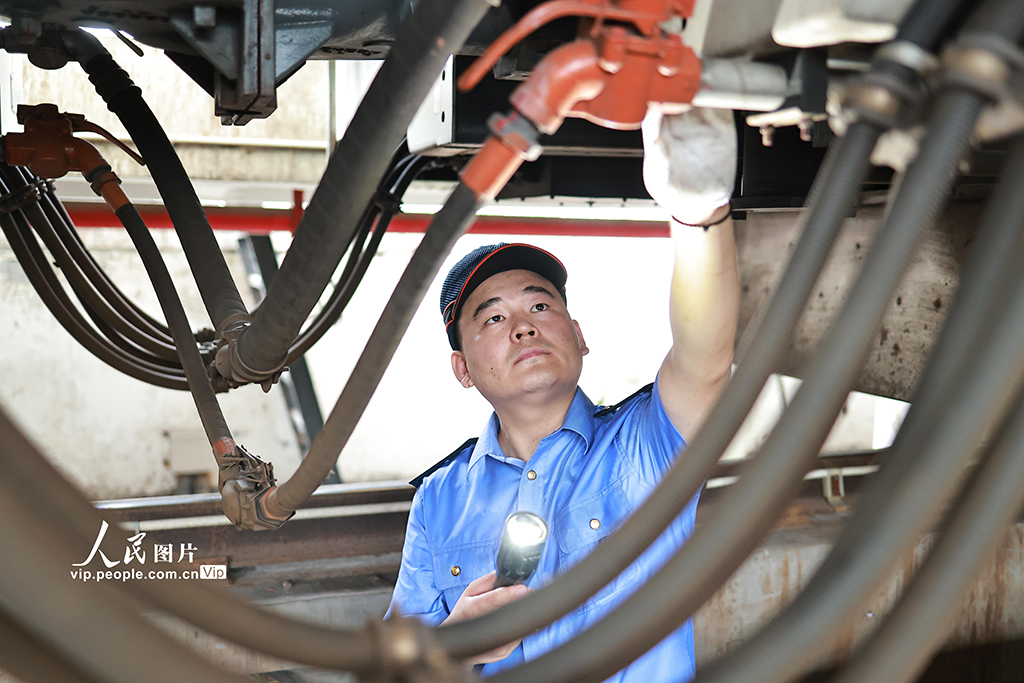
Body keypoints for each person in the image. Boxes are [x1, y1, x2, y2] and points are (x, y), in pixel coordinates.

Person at [384, 106, 740, 683]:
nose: (522, 326)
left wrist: (698, 210)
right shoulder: (437, 501)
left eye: (540, 306)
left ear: (578, 336)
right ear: (464, 369)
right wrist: (458, 640)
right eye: (492, 319)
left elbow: (705, 356)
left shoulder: (647, 444)